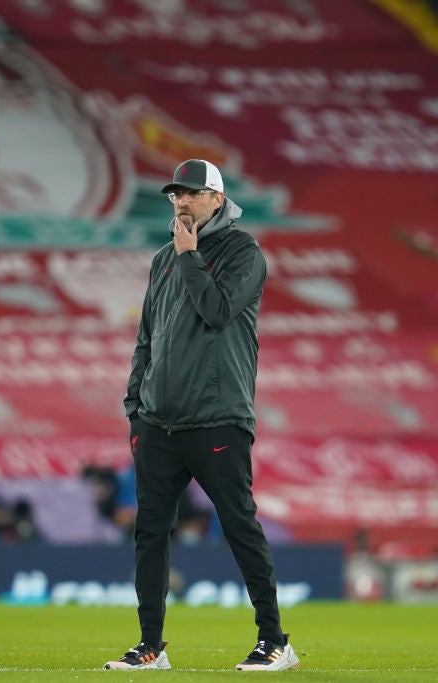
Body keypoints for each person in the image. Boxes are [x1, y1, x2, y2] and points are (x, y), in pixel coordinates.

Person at [104, 159, 299, 672]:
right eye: (175, 195)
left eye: (191, 194)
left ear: (217, 199)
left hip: (216, 417)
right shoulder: (163, 259)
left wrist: (190, 257)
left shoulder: (243, 252)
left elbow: (216, 311)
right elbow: (147, 338)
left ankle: (275, 641)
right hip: (159, 423)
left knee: (238, 525)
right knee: (150, 533)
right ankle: (150, 647)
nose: (181, 203)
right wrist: (135, 407)